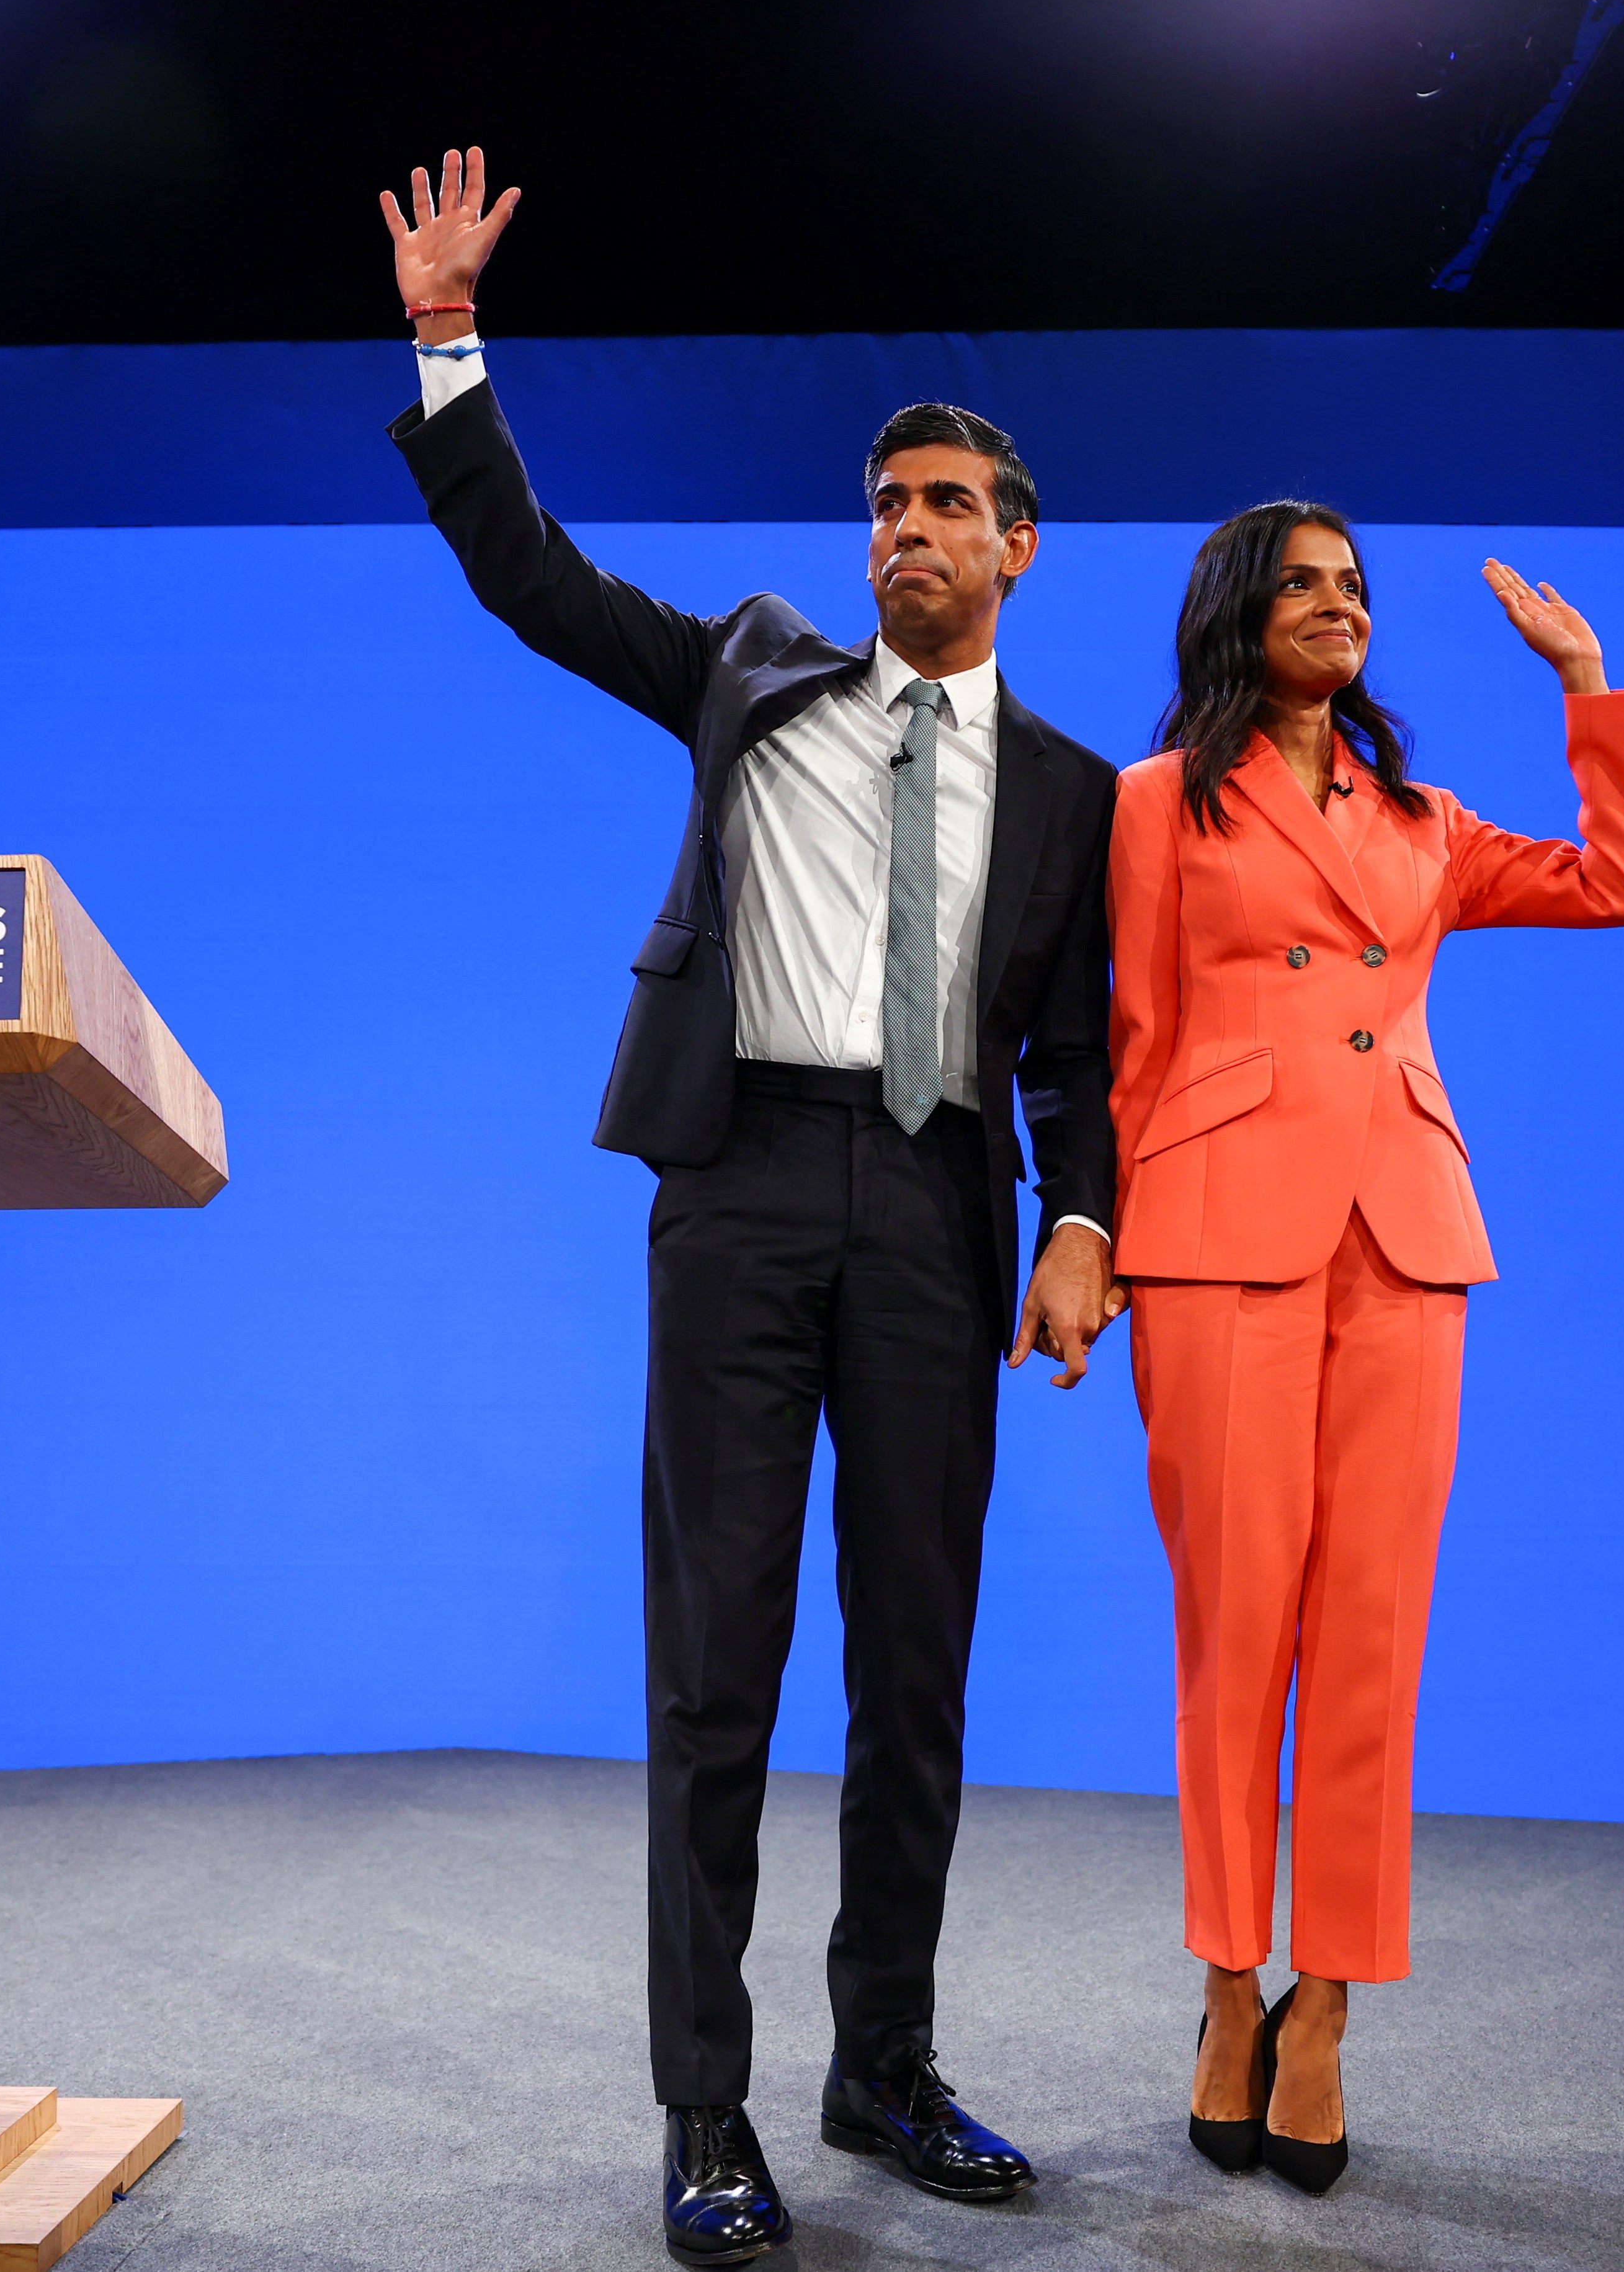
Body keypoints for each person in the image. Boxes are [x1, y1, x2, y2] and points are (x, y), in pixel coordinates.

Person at [380, 151, 1120, 2263]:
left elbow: (1076, 1056)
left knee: (918, 1669)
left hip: (935, 1207)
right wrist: (451, 342)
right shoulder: (751, 675)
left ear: (1017, 549)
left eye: (947, 504)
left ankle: (880, 2062)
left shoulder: (1072, 792)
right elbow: (532, 575)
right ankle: (705, 2113)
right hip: (739, 1192)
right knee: (718, 1667)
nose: (907, 530)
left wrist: (1083, 1221)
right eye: (885, 502)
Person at [1107, 503, 1624, 2195]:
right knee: (1232, 1638)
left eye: (1355, 589)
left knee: (1368, 1647)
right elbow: (1127, 1032)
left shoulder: (1419, 819)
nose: (1338, 607)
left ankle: (1324, 2007)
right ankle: (1224, 1985)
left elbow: (1616, 882)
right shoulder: (1153, 804)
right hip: (1214, 1242)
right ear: (1236, 610)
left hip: (1403, 1243)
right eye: (1304, 583)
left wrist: (1584, 686)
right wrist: (1103, 1251)